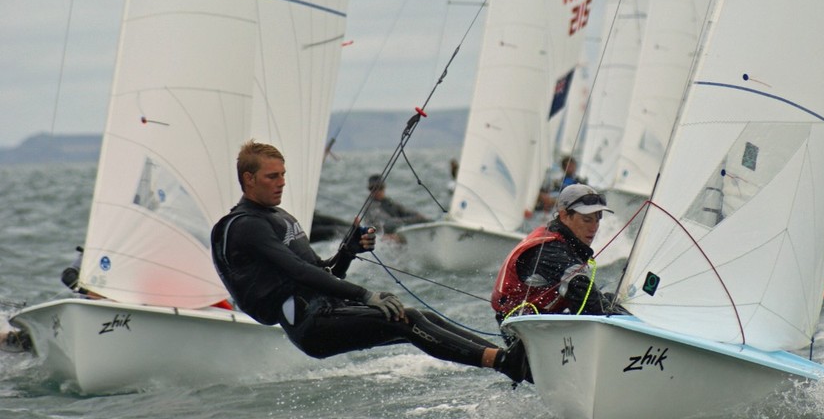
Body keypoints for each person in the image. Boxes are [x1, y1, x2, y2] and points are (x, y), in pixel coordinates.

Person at [211, 140, 528, 383]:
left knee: (414, 314)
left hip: (326, 309)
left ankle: (505, 357)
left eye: (283, 175)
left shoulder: (279, 216)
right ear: (249, 179)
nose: (281, 182)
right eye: (272, 176)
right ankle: (504, 363)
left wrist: (349, 250)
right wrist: (365, 295)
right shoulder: (246, 226)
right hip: (310, 325)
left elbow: (323, 272)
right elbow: (299, 272)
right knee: (407, 322)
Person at [493, 183, 622, 329]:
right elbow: (592, 305)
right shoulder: (551, 251)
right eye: (587, 220)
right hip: (522, 330)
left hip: (545, 324)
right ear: (564, 215)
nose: (593, 228)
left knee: (615, 301)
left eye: (597, 220)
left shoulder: (563, 241)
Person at [363, 174, 429, 234]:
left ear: (384, 188)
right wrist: (415, 219)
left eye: (380, 188)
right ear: (369, 190)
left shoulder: (388, 202)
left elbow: (408, 212)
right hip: (378, 237)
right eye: (373, 189)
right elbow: (388, 223)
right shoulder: (370, 206)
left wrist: (421, 218)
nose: (377, 191)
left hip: (395, 231)